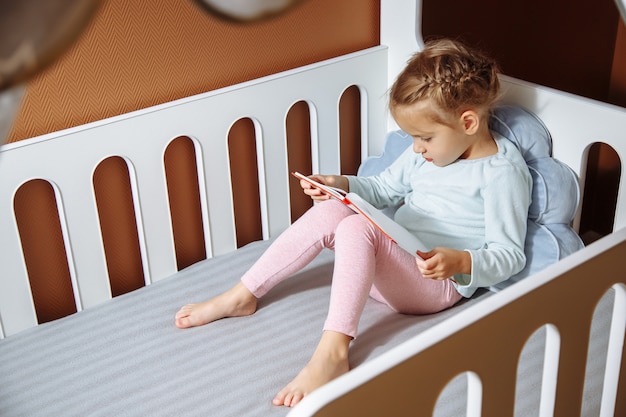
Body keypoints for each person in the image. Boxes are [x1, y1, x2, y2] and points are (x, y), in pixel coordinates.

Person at [174, 38, 532, 408]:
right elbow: (382, 188)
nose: (416, 148)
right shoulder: (424, 157)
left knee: (357, 229)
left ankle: (333, 352)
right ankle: (243, 294)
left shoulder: (501, 174)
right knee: (335, 214)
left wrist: (462, 262)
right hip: (390, 266)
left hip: (435, 285)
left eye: (425, 138)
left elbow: (510, 255)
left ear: (468, 122)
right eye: (413, 138)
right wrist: (340, 185)